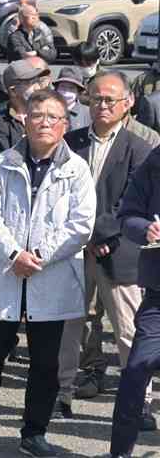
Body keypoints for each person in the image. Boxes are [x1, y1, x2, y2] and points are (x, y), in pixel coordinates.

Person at [0, 89, 96, 458]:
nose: (44, 122)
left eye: (53, 116)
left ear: (65, 125)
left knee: (46, 365)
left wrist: (41, 255)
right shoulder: (2, 163)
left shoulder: (76, 169)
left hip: (52, 277)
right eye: (37, 115)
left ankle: (34, 434)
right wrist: (14, 254)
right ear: (24, 120)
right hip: (6, 272)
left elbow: (81, 224)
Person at [55, 72, 155, 428]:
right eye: (96, 98)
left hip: (120, 252)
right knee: (69, 326)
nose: (102, 105)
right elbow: (60, 195)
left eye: (110, 99)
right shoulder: (70, 142)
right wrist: (81, 236)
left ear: (127, 102)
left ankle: (139, 403)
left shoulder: (140, 147)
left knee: (128, 331)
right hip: (72, 252)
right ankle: (61, 394)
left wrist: (100, 236)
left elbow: (133, 200)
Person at [110, 134, 160, 457]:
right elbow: (127, 215)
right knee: (135, 370)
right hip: (158, 295)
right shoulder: (155, 162)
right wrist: (146, 229)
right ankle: (120, 452)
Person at [0, 59, 51, 153]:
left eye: (38, 81)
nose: (38, 87)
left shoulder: (50, 115)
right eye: (31, 83)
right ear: (13, 91)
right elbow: (3, 161)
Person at [53, 66, 91, 132]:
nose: (66, 93)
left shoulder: (88, 113)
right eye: (63, 87)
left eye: (71, 88)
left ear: (78, 92)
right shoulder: (47, 109)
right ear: (56, 88)